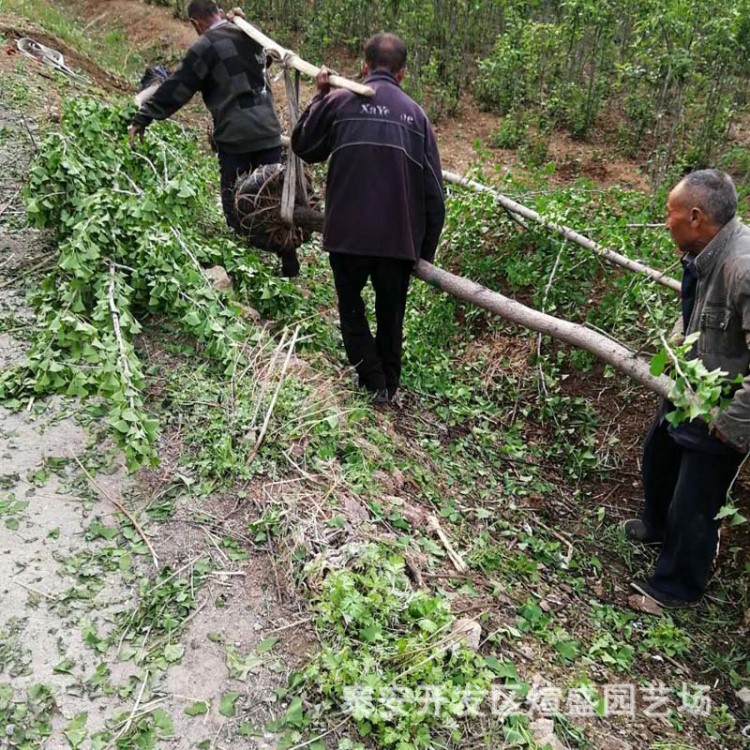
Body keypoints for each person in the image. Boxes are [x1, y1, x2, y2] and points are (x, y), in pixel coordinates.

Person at [291, 33, 445, 404]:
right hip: (397, 241)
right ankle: (389, 385)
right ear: (403, 73)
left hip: (348, 237)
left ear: (363, 66)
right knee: (391, 315)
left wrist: (320, 95)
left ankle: (373, 380)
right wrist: (424, 252)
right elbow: (434, 194)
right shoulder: (417, 117)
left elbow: (303, 145)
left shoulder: (340, 100)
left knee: (351, 308)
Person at [625, 169, 750, 608]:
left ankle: (676, 588)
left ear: (695, 217)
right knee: (658, 456)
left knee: (696, 498)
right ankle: (655, 527)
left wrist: (733, 423)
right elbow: (695, 310)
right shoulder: (704, 253)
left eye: (670, 213)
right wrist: (676, 347)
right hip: (689, 387)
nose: (665, 222)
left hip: (722, 406)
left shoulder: (742, 268)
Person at [127, 1, 299, 277]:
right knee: (273, 197)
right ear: (219, 11)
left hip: (236, 137)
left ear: (196, 23)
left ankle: (247, 266)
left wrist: (143, 116)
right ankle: (289, 261)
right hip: (268, 131)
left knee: (234, 204)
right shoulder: (250, 34)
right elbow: (262, 62)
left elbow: (179, 86)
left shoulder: (205, 46)